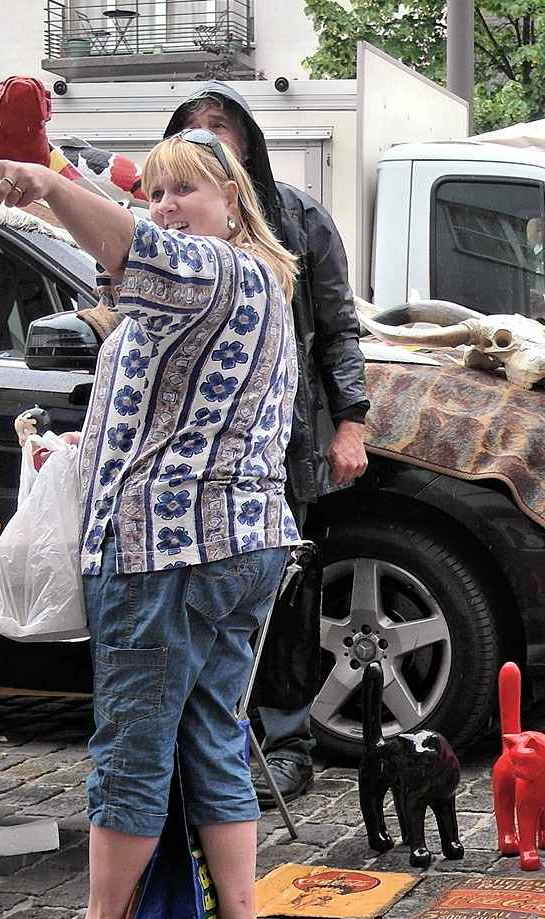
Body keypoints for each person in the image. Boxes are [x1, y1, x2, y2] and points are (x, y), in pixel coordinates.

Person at [0, 129, 301, 919]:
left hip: (166, 548)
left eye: (185, 190)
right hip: (237, 542)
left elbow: (123, 244)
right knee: (210, 737)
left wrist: (44, 182)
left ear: (233, 202)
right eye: (155, 191)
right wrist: (93, 445)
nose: (166, 207)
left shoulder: (214, 268)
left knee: (131, 742)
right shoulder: (258, 281)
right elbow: (180, 406)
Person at [166, 83, 369, 804]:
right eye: (193, 129)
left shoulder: (300, 219)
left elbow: (339, 330)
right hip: (186, 456)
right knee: (190, 600)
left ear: (245, 142)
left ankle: (286, 742)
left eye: (219, 126)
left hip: (278, 447)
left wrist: (350, 422)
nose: (207, 135)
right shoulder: (167, 229)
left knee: (281, 598)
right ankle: (204, 747)